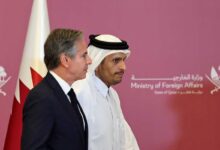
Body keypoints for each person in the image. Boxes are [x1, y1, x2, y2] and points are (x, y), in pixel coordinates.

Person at [21, 28, 92, 150]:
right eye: (84, 55)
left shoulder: (68, 94)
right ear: (65, 60)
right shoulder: (42, 98)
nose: (89, 61)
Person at [73, 34, 140, 150]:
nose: (123, 67)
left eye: (123, 60)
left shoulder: (113, 95)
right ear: (97, 62)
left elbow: (125, 140)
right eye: (116, 60)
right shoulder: (79, 92)